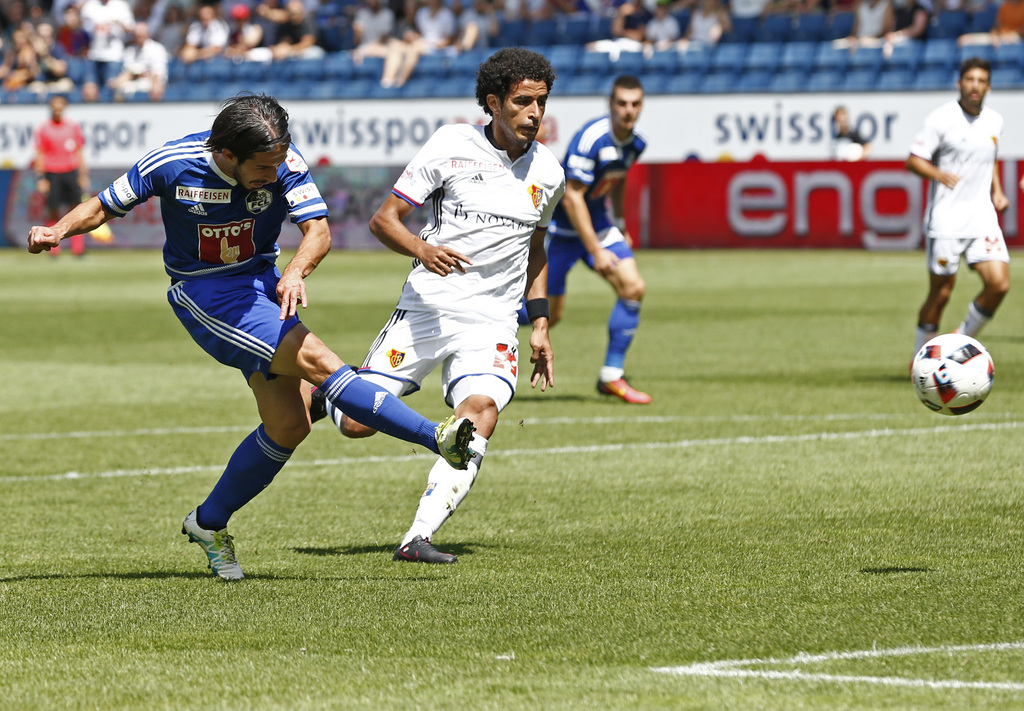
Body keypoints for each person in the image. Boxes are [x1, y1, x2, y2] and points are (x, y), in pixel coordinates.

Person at [26, 93, 476, 581]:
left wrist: (298, 269)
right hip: (207, 293)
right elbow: (102, 205)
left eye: (278, 162)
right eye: (262, 167)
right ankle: (436, 437)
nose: (272, 173)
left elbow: (318, 231)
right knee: (319, 360)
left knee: (289, 424)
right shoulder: (173, 164)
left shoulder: (284, 163)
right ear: (226, 154)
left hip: (263, 283)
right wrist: (58, 230)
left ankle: (207, 522)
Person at [312, 48, 564, 564]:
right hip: (428, 307)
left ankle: (417, 537)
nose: (534, 113)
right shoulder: (452, 145)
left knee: (480, 414)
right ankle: (325, 391)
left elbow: (536, 249)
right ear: (493, 103)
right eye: (522, 101)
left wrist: (539, 322)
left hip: (492, 321)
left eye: (541, 101)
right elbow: (384, 220)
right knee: (357, 423)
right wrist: (423, 250)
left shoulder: (550, 174)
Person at [541, 74, 651, 404]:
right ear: (610, 105)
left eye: (634, 104)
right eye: (621, 104)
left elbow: (617, 179)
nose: (628, 111)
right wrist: (596, 251)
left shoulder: (636, 143)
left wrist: (618, 223)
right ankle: (486, 326)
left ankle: (611, 376)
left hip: (598, 224)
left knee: (633, 287)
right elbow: (572, 197)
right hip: (560, 231)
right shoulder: (591, 139)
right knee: (550, 315)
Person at [907, 58, 1010, 360]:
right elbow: (913, 160)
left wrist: (998, 191)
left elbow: (990, 158)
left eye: (981, 80)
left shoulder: (994, 121)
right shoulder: (942, 119)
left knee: (999, 285)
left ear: (988, 86)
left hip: (982, 218)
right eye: (969, 80)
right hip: (947, 220)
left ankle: (958, 342)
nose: (975, 86)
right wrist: (938, 174)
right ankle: (921, 361)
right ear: (959, 84)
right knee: (940, 294)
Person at [32, 94, 89, 257]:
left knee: (76, 210)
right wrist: (40, 177)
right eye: (54, 105)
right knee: (53, 210)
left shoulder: (72, 127)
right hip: (52, 172)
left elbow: (79, 151)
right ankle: (53, 248)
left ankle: (78, 249)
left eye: (60, 105)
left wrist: (83, 174)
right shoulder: (44, 128)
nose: (57, 108)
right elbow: (40, 154)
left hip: (70, 171)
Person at [79, 0, 135, 102]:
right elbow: (81, 27)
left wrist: (118, 23)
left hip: (113, 55)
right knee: (90, 89)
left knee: (112, 89)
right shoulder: (90, 5)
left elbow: (131, 29)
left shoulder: (121, 6)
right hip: (93, 54)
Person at [108, 20, 168, 101]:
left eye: (141, 36)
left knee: (155, 89)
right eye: (137, 36)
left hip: (151, 82)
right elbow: (127, 72)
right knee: (118, 89)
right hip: (133, 81)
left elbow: (158, 74)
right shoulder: (130, 51)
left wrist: (141, 74)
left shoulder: (157, 49)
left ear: (147, 35)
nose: (139, 39)